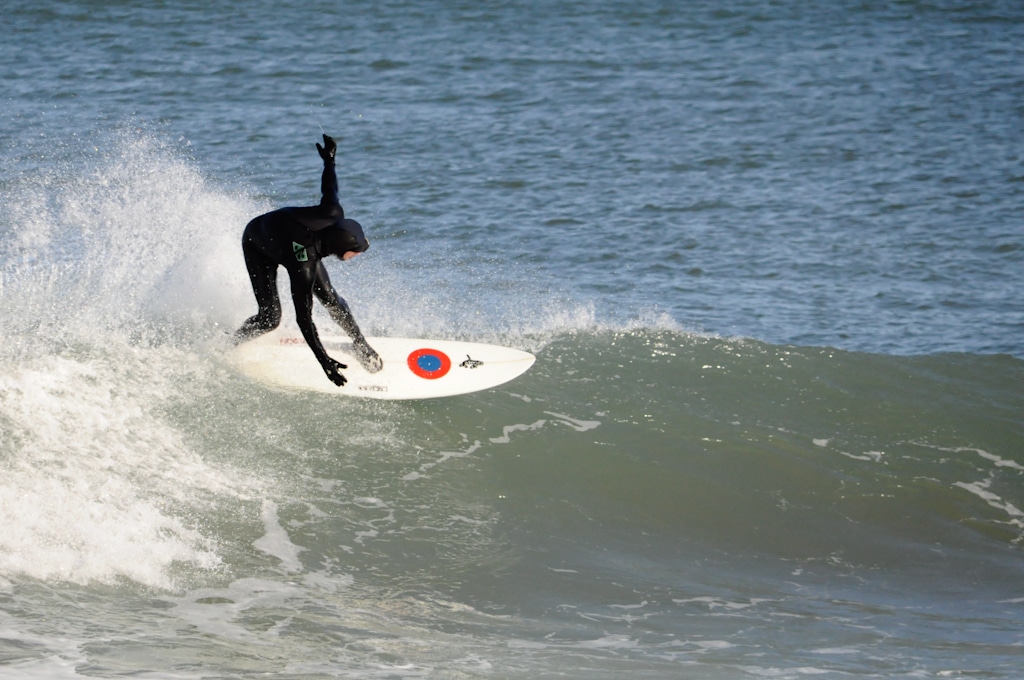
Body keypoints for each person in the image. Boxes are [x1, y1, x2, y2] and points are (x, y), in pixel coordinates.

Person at [234, 134, 382, 387]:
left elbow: (330, 188)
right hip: (258, 241)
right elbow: (304, 317)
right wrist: (325, 361)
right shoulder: (303, 265)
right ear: (341, 247)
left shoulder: (333, 214)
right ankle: (231, 343)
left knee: (331, 298)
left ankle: (360, 342)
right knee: (270, 318)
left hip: (288, 234)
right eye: (356, 251)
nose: (358, 254)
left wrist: (330, 161)